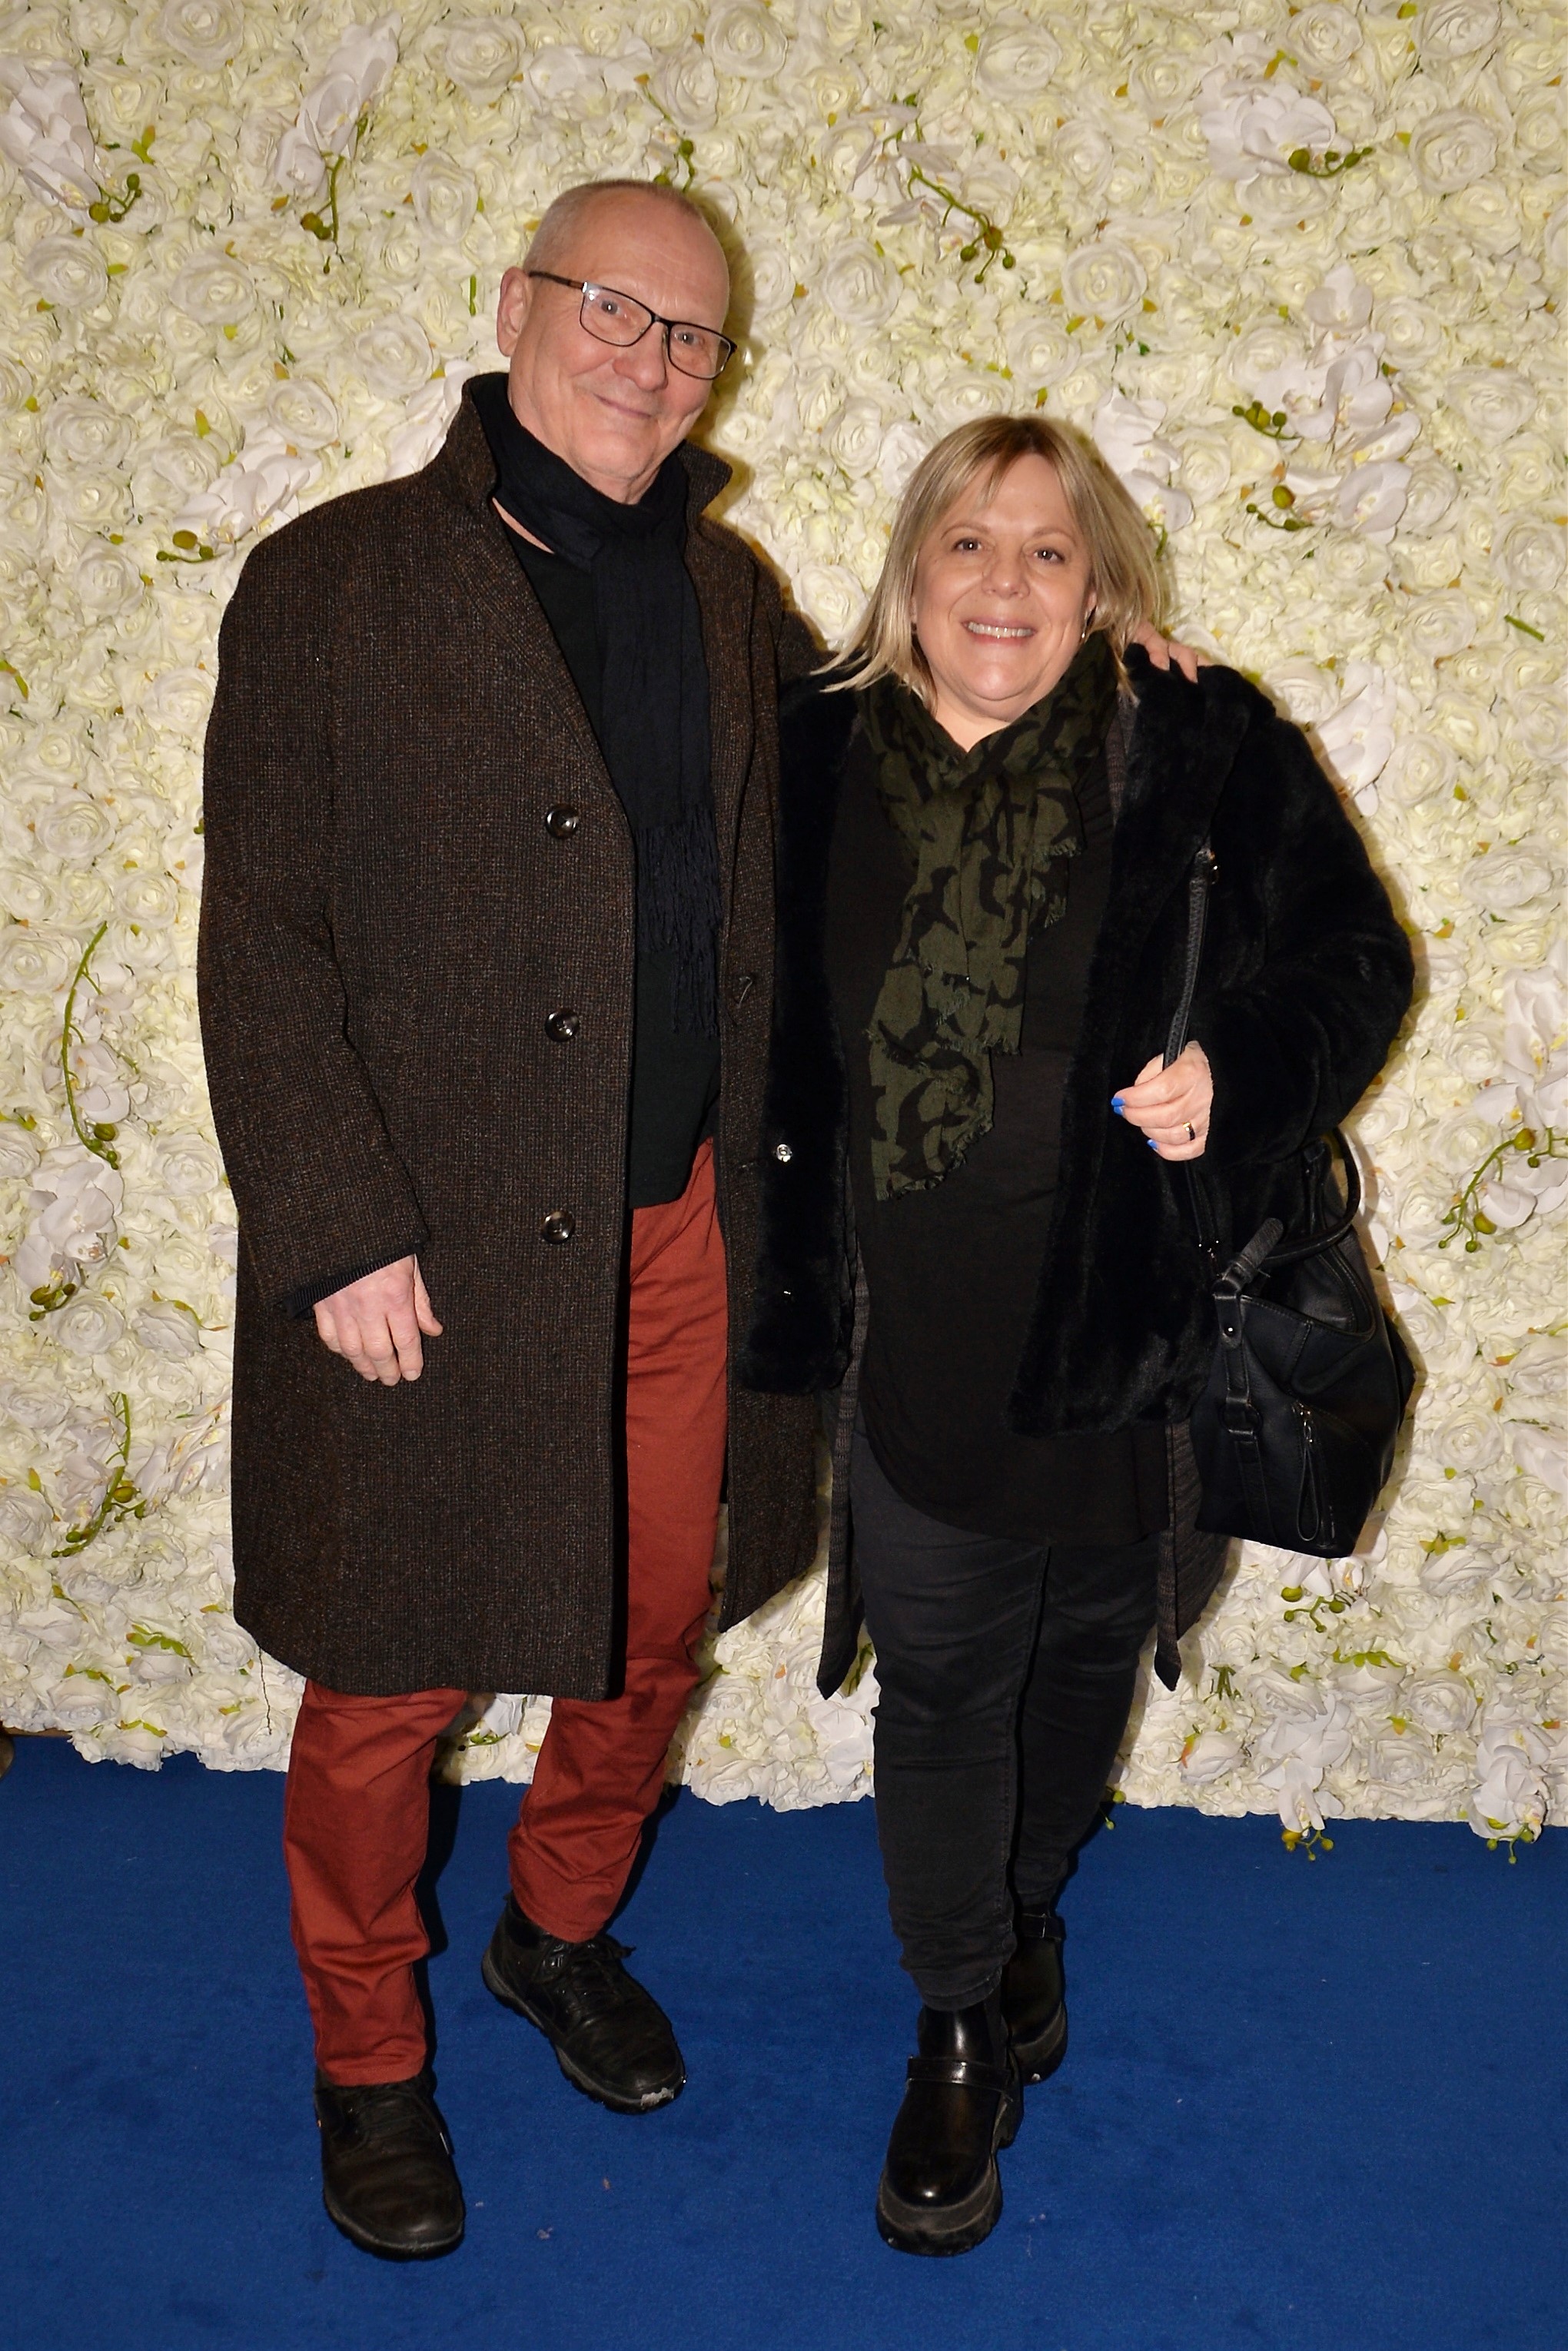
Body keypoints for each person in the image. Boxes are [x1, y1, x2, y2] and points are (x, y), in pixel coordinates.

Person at [196, 178, 829, 2260]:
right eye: (613, 308)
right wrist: (333, 1223)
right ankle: (366, 2052)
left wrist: (1119, 670)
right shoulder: (331, 580)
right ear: (514, 306)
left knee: (650, 1625)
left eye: (691, 332)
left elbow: (885, 769)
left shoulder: (729, 594)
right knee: (392, 1670)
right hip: (430, 1256)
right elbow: (261, 935)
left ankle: (554, 1927)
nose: (652, 358)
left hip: (679, 1227)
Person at [739, 415, 1413, 2256]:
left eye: (1050, 551)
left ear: (1102, 586)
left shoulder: (1193, 739)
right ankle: (957, 2022)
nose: (1006, 584)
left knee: (1086, 1661)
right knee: (945, 1687)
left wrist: (1238, 1069)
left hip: (1134, 1333)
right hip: (911, 1344)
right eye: (970, 542)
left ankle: (1027, 1911)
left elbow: (1356, 960)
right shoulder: (804, 754)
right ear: (911, 569)